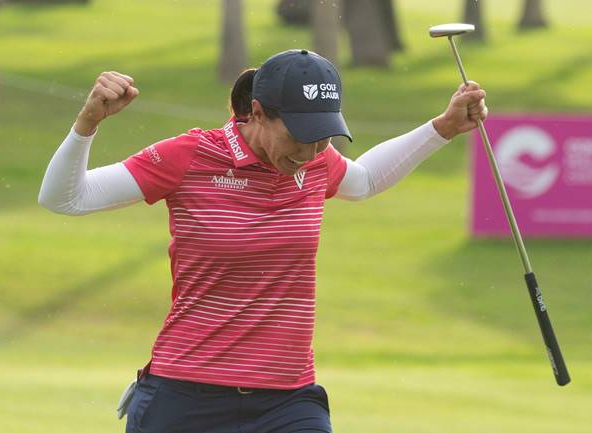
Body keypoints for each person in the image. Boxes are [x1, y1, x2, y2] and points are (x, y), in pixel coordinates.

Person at [39, 49, 487, 433]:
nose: (311, 153)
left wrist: (443, 127)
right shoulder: (190, 156)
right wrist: (87, 123)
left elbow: (366, 179)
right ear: (257, 113)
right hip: (187, 395)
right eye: (297, 136)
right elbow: (66, 199)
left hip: (287, 399)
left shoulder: (315, 162)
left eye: (323, 137)